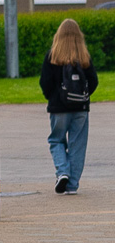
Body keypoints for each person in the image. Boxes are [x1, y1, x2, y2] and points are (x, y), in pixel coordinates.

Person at [40, 18, 98, 195]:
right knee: (77, 144)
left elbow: (45, 82)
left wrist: (53, 98)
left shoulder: (52, 56)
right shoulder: (84, 57)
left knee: (56, 140)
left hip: (59, 109)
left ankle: (62, 172)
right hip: (80, 109)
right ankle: (72, 185)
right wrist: (84, 98)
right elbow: (94, 81)